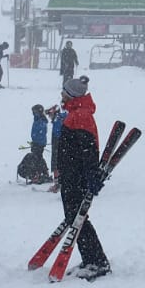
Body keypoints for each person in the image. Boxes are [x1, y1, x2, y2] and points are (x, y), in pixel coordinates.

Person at [56, 77, 111, 274]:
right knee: (76, 218)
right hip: (72, 174)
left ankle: (97, 261)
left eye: (64, 93)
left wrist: (90, 174)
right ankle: (91, 259)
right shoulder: (75, 113)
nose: (61, 96)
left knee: (77, 218)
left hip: (76, 176)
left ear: (71, 95)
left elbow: (87, 149)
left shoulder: (80, 115)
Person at [18, 105, 50, 184]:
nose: (33, 113)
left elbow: (41, 133)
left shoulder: (41, 120)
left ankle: (38, 174)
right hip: (36, 142)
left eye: (34, 112)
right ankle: (41, 173)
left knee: (37, 158)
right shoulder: (37, 119)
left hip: (39, 143)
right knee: (37, 158)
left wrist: (37, 142)